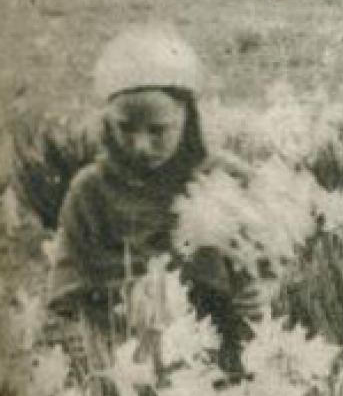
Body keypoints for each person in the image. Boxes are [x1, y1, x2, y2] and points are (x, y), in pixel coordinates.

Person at [48, 24, 257, 370]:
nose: (140, 146)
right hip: (119, 358)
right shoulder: (90, 191)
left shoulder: (219, 180)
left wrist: (257, 298)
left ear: (186, 119)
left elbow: (257, 276)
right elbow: (67, 294)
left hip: (210, 354)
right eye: (125, 128)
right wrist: (88, 362)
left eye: (158, 131)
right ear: (107, 124)